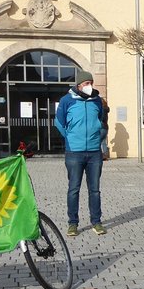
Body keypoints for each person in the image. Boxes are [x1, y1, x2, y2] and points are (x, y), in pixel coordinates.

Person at [55, 69, 107, 237]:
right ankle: (73, 224)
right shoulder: (66, 100)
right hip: (74, 153)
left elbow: (102, 122)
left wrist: (98, 137)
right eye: (86, 83)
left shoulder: (97, 101)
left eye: (91, 83)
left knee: (95, 190)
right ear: (79, 85)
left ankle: (96, 222)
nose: (89, 86)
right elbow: (59, 122)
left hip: (94, 153)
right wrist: (70, 138)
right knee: (73, 189)